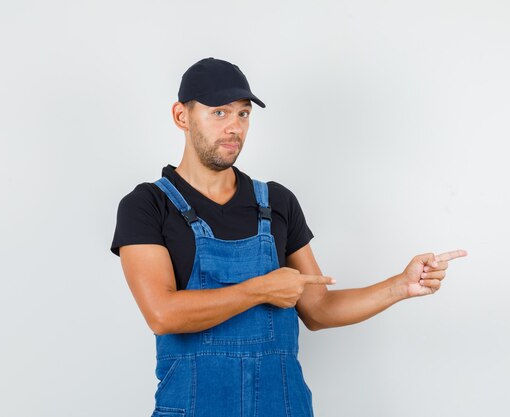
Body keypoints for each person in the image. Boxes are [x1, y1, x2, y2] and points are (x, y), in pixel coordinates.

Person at [111, 57, 468, 417]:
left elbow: (318, 309)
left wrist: (400, 286)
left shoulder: (276, 202)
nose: (234, 127)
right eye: (219, 113)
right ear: (181, 116)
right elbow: (162, 313)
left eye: (243, 114)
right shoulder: (147, 205)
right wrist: (262, 290)